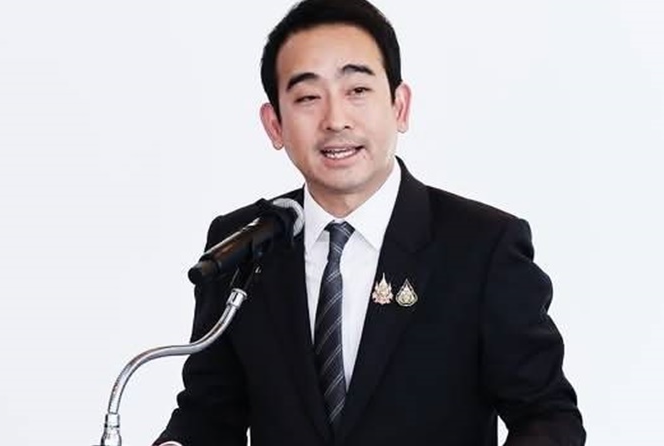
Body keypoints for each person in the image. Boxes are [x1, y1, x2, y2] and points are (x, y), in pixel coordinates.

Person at [155, 0, 585, 445]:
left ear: (400, 106)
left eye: (357, 90)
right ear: (274, 125)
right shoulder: (244, 244)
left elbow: (547, 416)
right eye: (307, 97)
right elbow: (209, 414)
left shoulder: (482, 246)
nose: (335, 120)